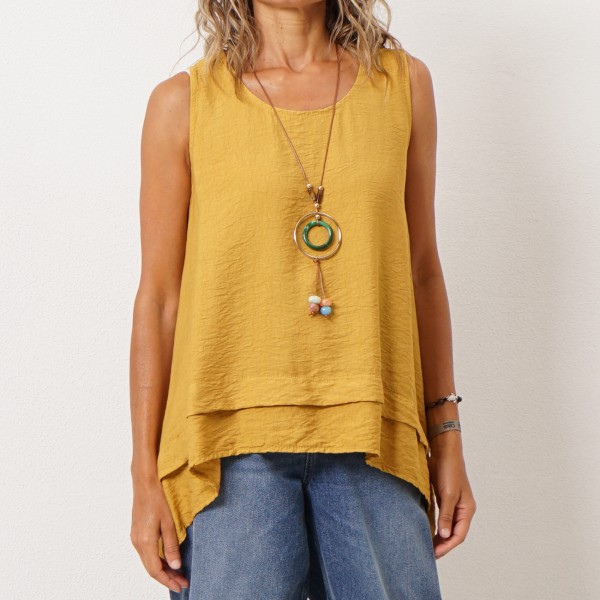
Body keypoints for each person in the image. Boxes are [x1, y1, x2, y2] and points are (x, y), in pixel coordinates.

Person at [129, 0, 477, 597]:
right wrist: (144, 475)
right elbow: (160, 299)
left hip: (377, 434)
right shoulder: (183, 103)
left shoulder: (402, 86)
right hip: (227, 448)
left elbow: (422, 272)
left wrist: (446, 432)